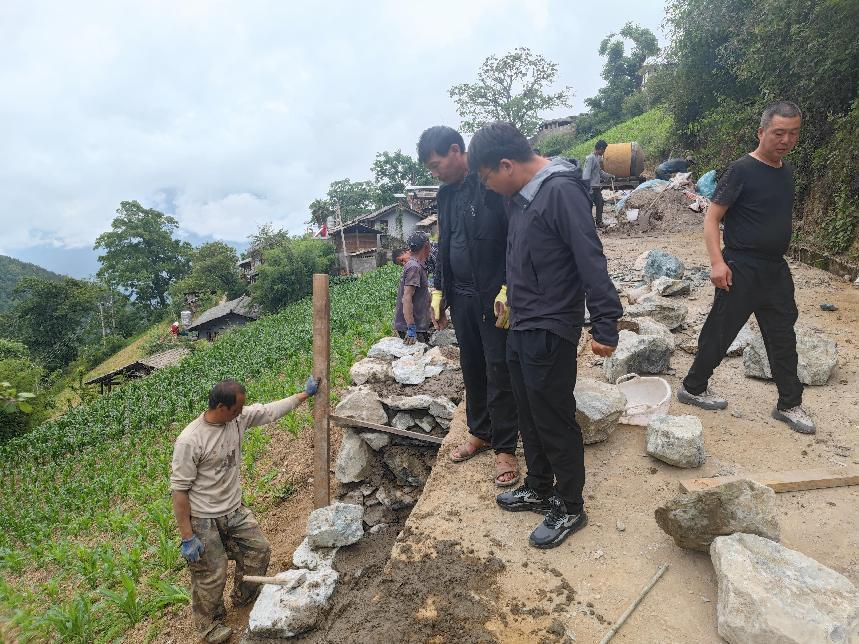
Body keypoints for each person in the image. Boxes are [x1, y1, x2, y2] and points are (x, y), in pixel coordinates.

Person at [467, 122, 623, 549]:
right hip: (521, 321)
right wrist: (508, 293)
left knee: (553, 416)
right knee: (528, 411)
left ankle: (570, 505)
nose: (488, 187)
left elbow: (590, 258)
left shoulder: (560, 192)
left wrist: (605, 321)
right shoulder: (520, 198)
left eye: (487, 178)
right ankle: (539, 486)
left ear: (506, 165)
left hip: (551, 324)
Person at [677, 101, 815, 434]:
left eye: (793, 133)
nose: (786, 140)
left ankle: (789, 404)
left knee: (783, 337)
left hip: (775, 270)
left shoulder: (786, 172)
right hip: (741, 267)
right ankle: (693, 388)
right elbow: (712, 218)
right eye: (778, 133)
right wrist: (717, 262)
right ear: (761, 132)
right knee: (720, 331)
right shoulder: (741, 170)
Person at [171, 376, 319, 643]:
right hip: (203, 518)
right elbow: (179, 492)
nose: (241, 413)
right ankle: (209, 626)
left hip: (233, 508)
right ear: (220, 407)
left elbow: (270, 410)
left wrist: (304, 395)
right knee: (210, 574)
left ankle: (244, 597)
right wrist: (187, 536)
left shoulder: (236, 419)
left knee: (258, 550)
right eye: (237, 409)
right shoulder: (190, 440)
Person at [417, 125, 520, 487]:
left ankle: (506, 446)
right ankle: (480, 432)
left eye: (436, 165)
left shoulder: (490, 183)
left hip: (493, 297)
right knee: (472, 366)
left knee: (499, 368)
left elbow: (514, 238)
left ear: (455, 150)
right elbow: (444, 245)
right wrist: (439, 293)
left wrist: (509, 287)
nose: (435, 173)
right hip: (460, 296)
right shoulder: (445, 195)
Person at [394, 230, 433, 345]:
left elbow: (422, 293)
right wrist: (411, 328)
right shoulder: (414, 267)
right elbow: (407, 298)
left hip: (418, 326)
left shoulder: (417, 265)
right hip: (412, 329)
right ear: (427, 246)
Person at [581, 140, 615, 228]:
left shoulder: (597, 158)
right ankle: (588, 225)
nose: (604, 152)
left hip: (596, 187)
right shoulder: (590, 158)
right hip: (591, 187)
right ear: (600, 148)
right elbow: (586, 174)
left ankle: (599, 222)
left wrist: (609, 176)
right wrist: (588, 188)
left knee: (600, 204)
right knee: (588, 207)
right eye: (604, 150)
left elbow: (599, 172)